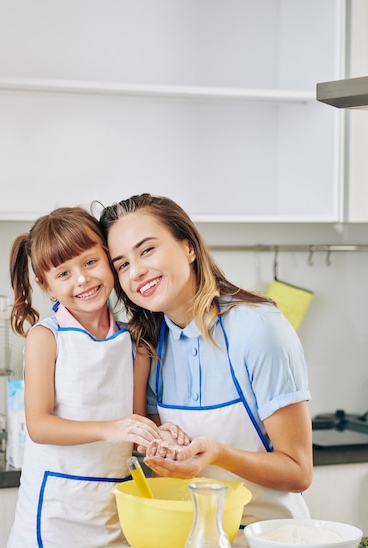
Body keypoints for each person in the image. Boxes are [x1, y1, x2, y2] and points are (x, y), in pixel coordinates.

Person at [99, 193, 313, 530]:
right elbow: (161, 463)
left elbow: (299, 471)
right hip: (191, 544)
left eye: (147, 250)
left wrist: (217, 455)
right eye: (123, 264)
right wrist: (164, 452)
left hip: (271, 546)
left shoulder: (259, 329)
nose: (137, 271)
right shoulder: (148, 346)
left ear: (189, 247)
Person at [2, 206, 184, 548]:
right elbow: (39, 426)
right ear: (45, 284)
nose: (82, 280)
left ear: (108, 259)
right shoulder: (46, 338)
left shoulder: (136, 342)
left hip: (111, 512)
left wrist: (159, 435)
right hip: (53, 516)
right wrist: (111, 428)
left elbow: (133, 430)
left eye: (90, 262)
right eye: (64, 273)